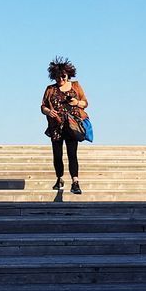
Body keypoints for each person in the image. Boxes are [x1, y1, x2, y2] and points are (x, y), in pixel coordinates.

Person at [41, 55, 88, 194]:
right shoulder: (50, 89)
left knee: (72, 154)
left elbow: (85, 102)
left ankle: (75, 181)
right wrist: (48, 111)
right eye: (57, 77)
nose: (61, 79)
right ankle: (59, 178)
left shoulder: (76, 86)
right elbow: (42, 106)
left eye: (63, 76)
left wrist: (77, 103)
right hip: (56, 126)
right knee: (57, 155)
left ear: (68, 75)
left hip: (72, 125)